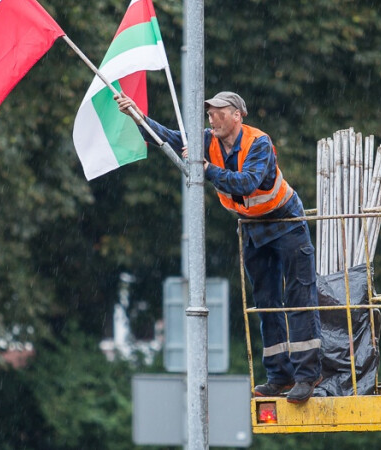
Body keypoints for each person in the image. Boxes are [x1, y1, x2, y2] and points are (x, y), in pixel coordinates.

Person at [115, 91, 322, 403]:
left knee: (299, 296)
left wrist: (207, 169)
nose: (212, 118)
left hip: (286, 222)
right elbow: (168, 138)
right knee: (266, 301)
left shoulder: (259, 142)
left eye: (219, 112)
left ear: (237, 114)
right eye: (210, 113)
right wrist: (137, 116)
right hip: (253, 228)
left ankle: (307, 376)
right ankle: (280, 375)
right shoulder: (206, 140)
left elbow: (246, 183)